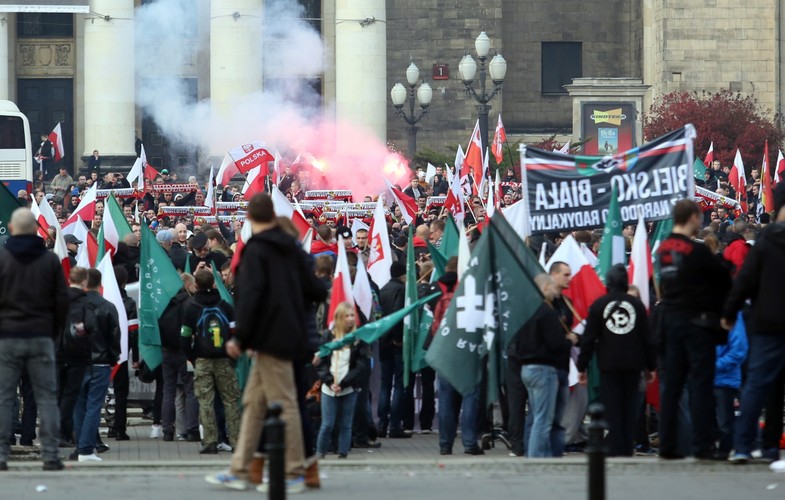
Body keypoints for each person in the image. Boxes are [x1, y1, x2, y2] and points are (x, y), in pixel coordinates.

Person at [206, 193, 326, 493]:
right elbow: (317, 289)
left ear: (249, 217)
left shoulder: (256, 251)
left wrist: (241, 338)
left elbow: (250, 297)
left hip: (271, 339)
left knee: (284, 403)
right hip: (290, 335)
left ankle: (294, 471)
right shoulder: (294, 248)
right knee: (253, 403)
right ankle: (242, 469)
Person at [656, 199, 731, 460]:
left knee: (672, 386)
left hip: (670, 322)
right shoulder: (697, 252)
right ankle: (702, 446)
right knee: (700, 385)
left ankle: (667, 446)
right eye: (699, 217)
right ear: (692, 217)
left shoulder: (662, 250)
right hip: (696, 323)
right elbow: (723, 278)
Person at [0, 207, 69, 471]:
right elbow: (61, 301)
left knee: (4, 397)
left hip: (7, 336)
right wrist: (52, 331)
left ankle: (1, 455)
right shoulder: (50, 261)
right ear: (35, 229)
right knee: (46, 398)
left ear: (12, 227)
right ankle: (50, 455)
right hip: (41, 335)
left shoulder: (2, 259)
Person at [722, 183, 785, 463]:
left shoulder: (765, 240)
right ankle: (771, 446)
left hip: (768, 322)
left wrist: (729, 312)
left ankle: (745, 445)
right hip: (769, 323)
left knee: (758, 385)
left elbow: (745, 280)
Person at [577, 264, 656, 457]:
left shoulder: (599, 305)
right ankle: (627, 447)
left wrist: (582, 365)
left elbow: (588, 338)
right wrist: (650, 366)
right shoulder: (636, 305)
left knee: (612, 408)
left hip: (608, 365)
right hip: (633, 365)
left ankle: (615, 447)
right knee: (630, 409)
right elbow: (647, 337)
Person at [515, 274, 577, 457]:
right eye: (551, 287)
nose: (555, 292)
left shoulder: (525, 310)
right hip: (544, 369)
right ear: (544, 288)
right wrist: (569, 340)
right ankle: (536, 459)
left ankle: (538, 455)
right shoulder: (546, 312)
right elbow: (555, 344)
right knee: (544, 420)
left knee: (536, 417)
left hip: (527, 368)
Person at [181, 269, 241, 455]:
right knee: (230, 401)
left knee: (205, 401)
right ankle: (237, 441)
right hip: (224, 359)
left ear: (196, 285)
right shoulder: (225, 306)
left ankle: (210, 441)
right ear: (214, 284)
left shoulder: (191, 307)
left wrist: (193, 356)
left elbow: (184, 337)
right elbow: (235, 333)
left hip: (202, 360)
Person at [71, 268, 120, 462]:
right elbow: (115, 335)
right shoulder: (107, 306)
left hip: (78, 362)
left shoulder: (75, 306)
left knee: (79, 405)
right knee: (93, 406)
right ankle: (85, 449)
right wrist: (113, 358)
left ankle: (81, 446)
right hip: (100, 362)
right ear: (100, 284)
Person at [315, 302, 369, 459]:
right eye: (347, 316)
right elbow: (321, 363)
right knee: (327, 424)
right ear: (339, 318)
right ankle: (320, 452)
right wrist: (329, 381)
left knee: (346, 424)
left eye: (353, 315)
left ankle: (343, 452)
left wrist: (344, 383)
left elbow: (360, 366)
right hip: (328, 387)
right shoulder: (327, 336)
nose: (351, 319)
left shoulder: (358, 339)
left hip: (349, 387)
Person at [158, 274, 200, 442]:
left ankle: (167, 430)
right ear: (188, 285)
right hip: (185, 352)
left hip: (167, 351)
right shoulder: (190, 305)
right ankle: (192, 429)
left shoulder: (164, 305)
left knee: (168, 390)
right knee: (190, 391)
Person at [56, 267, 91, 447]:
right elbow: (90, 328)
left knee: (59, 393)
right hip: (77, 354)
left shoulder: (58, 299)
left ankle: (58, 432)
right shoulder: (86, 302)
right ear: (85, 281)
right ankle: (65, 432)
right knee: (71, 395)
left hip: (57, 352)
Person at [377, 262, 410, 439]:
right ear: (403, 274)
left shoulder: (383, 289)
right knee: (398, 386)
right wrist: (398, 338)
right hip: (395, 343)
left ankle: (382, 424)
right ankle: (395, 425)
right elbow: (398, 314)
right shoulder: (401, 289)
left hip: (383, 341)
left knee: (384, 385)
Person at [108, 266, 138, 441]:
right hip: (122, 353)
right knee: (121, 392)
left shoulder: (105, 300)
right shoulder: (128, 303)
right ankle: (119, 428)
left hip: (102, 352)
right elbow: (133, 330)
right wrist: (136, 356)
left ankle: (100, 429)